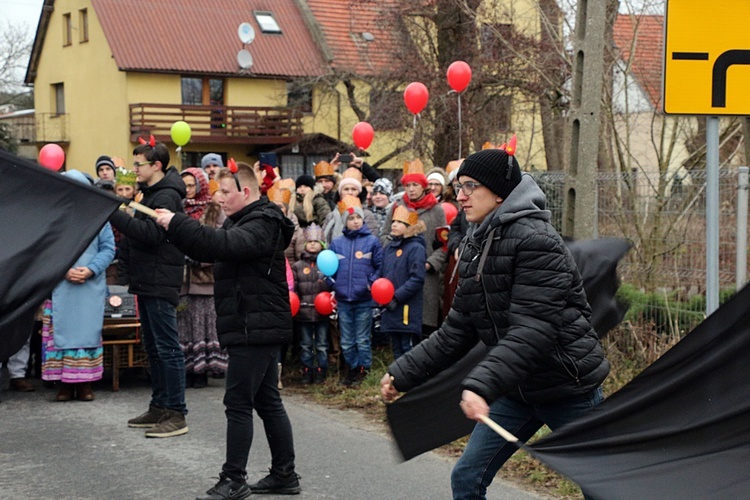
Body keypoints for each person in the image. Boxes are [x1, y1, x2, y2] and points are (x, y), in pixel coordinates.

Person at [380, 147, 610, 500]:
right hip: (517, 389)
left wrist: (482, 386)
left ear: (499, 192)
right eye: (459, 186)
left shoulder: (537, 242)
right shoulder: (478, 242)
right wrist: (403, 372)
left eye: (470, 186)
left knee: (603, 487)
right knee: (467, 478)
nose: (460, 196)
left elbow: (531, 330)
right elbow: (457, 329)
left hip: (567, 388)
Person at [155, 161, 300, 498]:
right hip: (253, 324)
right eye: (218, 190)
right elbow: (206, 245)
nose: (218, 198)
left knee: (238, 402)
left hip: (256, 326)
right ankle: (284, 474)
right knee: (266, 401)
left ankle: (233, 479)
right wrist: (172, 226)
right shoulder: (248, 221)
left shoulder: (262, 223)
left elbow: (222, 245)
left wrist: (176, 222)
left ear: (245, 192)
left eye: (226, 191)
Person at [108, 137, 189, 438]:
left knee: (167, 348)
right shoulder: (151, 193)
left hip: (160, 278)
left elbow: (152, 235)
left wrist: (114, 213)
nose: (134, 170)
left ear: (156, 166)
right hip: (148, 277)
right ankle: (160, 405)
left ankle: (177, 412)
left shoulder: (166, 197)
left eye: (139, 164)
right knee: (153, 346)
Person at [42, 169, 116, 401]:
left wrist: (91, 269)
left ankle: (85, 385)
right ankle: (63, 385)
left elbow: (109, 248)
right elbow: (46, 250)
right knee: (60, 334)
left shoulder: (98, 218)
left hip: (89, 285)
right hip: (60, 285)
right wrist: (62, 270)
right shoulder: (54, 218)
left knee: (88, 333)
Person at [381, 159, 447, 343]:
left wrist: (431, 263)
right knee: (401, 319)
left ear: (423, 186)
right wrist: (394, 252)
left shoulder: (436, 209)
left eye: (415, 184)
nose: (411, 189)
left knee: (423, 324)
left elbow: (444, 243)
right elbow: (385, 235)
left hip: (425, 274)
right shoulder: (397, 206)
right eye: (407, 185)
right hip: (400, 273)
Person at [178, 168, 228, 388]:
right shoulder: (177, 209)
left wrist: (201, 258)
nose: (188, 190)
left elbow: (221, 242)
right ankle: (186, 369)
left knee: (203, 324)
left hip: (205, 279)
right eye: (185, 186)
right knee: (184, 325)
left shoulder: (213, 210)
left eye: (191, 185)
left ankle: (203, 370)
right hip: (182, 279)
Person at [328, 195, 383, 386]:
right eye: (351, 219)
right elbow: (329, 269)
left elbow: (379, 266)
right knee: (347, 340)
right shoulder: (337, 243)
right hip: (344, 299)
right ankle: (351, 369)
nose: (355, 221)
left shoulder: (372, 242)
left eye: (358, 218)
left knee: (362, 339)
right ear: (345, 221)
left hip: (363, 298)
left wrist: (370, 283)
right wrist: (333, 284)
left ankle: (363, 370)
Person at [379, 206, 426, 359]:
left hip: (407, 308)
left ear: (409, 226)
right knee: (397, 348)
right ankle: (398, 381)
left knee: (408, 348)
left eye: (399, 222)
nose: (394, 225)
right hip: (390, 308)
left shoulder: (416, 248)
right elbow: (382, 273)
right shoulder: (389, 248)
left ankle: (414, 382)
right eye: (393, 221)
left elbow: (417, 278)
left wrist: (396, 297)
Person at [292, 223, 330, 384]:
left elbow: (332, 285)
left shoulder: (326, 263)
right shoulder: (298, 266)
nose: (313, 244)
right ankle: (307, 370)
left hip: (322, 312)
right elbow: (294, 288)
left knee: (322, 344)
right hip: (304, 312)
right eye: (310, 241)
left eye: (316, 241)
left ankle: (322, 369)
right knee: (306, 344)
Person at [321, 168, 378, 246]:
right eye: (346, 189)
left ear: (359, 193)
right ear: (340, 193)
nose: (350, 192)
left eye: (354, 189)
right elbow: (323, 239)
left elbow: (371, 242)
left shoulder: (367, 215)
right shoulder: (331, 216)